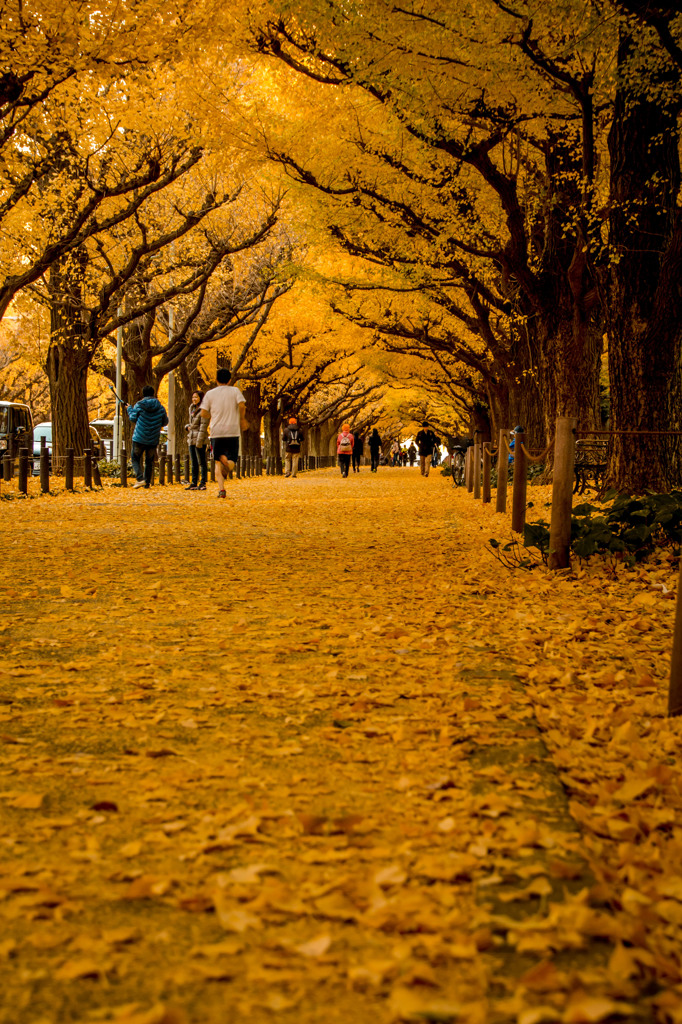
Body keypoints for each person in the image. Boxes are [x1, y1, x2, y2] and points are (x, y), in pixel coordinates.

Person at [196, 367, 249, 498]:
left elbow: (203, 413)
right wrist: (242, 419)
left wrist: (213, 414)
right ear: (230, 380)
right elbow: (242, 405)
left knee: (217, 462)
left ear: (216, 380)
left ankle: (222, 490)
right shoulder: (235, 391)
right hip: (232, 430)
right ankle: (228, 463)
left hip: (216, 431)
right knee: (232, 460)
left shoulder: (210, 394)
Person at [127, 385, 168, 489]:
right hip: (153, 438)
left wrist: (129, 409)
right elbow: (165, 422)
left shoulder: (139, 405)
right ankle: (147, 483)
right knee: (149, 461)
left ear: (143, 394)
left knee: (135, 458)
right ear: (153, 393)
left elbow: (132, 418)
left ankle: (140, 479)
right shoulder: (160, 407)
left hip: (139, 437)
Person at [185, 390, 207, 490]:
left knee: (202, 461)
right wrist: (187, 427)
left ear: (201, 398)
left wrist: (199, 441)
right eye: (193, 397)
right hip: (191, 437)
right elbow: (192, 423)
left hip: (200, 439)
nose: (194, 399)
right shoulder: (192, 408)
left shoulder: (204, 410)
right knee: (193, 462)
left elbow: (203, 426)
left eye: (196, 397)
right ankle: (194, 482)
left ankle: (203, 483)